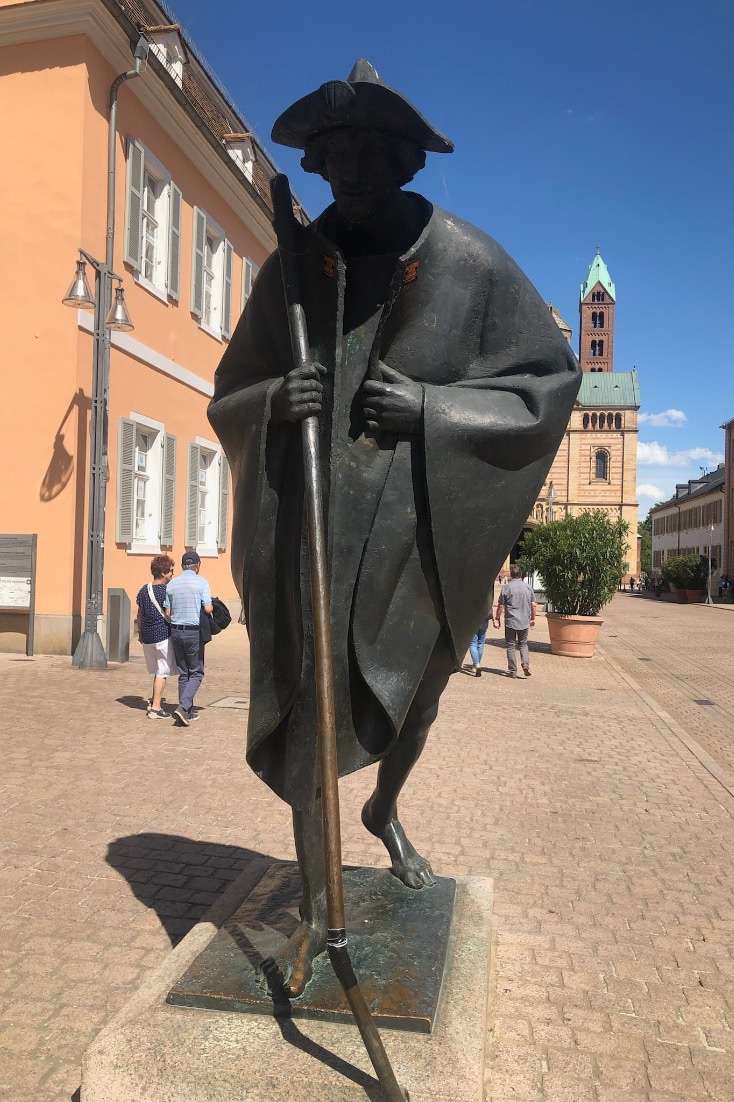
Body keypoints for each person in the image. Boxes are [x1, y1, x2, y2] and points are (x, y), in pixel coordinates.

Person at [208, 59, 580, 996]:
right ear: (322, 161)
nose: (356, 168)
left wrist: (433, 410)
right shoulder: (292, 265)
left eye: (376, 150)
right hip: (311, 526)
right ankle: (320, 915)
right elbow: (229, 394)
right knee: (305, 714)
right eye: (339, 152)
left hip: (417, 529)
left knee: (413, 704)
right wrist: (272, 398)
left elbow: (544, 386)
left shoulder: (469, 262)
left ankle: (383, 809)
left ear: (408, 160)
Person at [164, 551, 213, 727]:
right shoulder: (202, 582)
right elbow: (207, 609)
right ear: (197, 565)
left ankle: (187, 712)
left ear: (183, 565)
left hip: (176, 631)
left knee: (184, 673)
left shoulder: (172, 584)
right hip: (193, 632)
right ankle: (184, 707)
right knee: (197, 672)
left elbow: (168, 613)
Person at [136, 555, 175, 719]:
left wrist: (140, 633)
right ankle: (156, 708)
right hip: (163, 635)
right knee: (162, 672)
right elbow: (170, 614)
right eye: (171, 571)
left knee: (158, 671)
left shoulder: (144, 589)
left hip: (147, 636)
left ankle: (155, 703)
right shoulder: (168, 591)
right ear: (164, 572)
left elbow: (139, 614)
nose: (173, 574)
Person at [493, 564, 536, 678]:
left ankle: (513, 670)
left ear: (511, 575)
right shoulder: (528, 587)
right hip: (524, 621)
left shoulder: (506, 588)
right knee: (523, 644)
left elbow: (500, 606)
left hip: (511, 621)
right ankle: (525, 665)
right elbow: (534, 605)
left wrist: (497, 618)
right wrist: (533, 619)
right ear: (521, 574)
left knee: (511, 646)